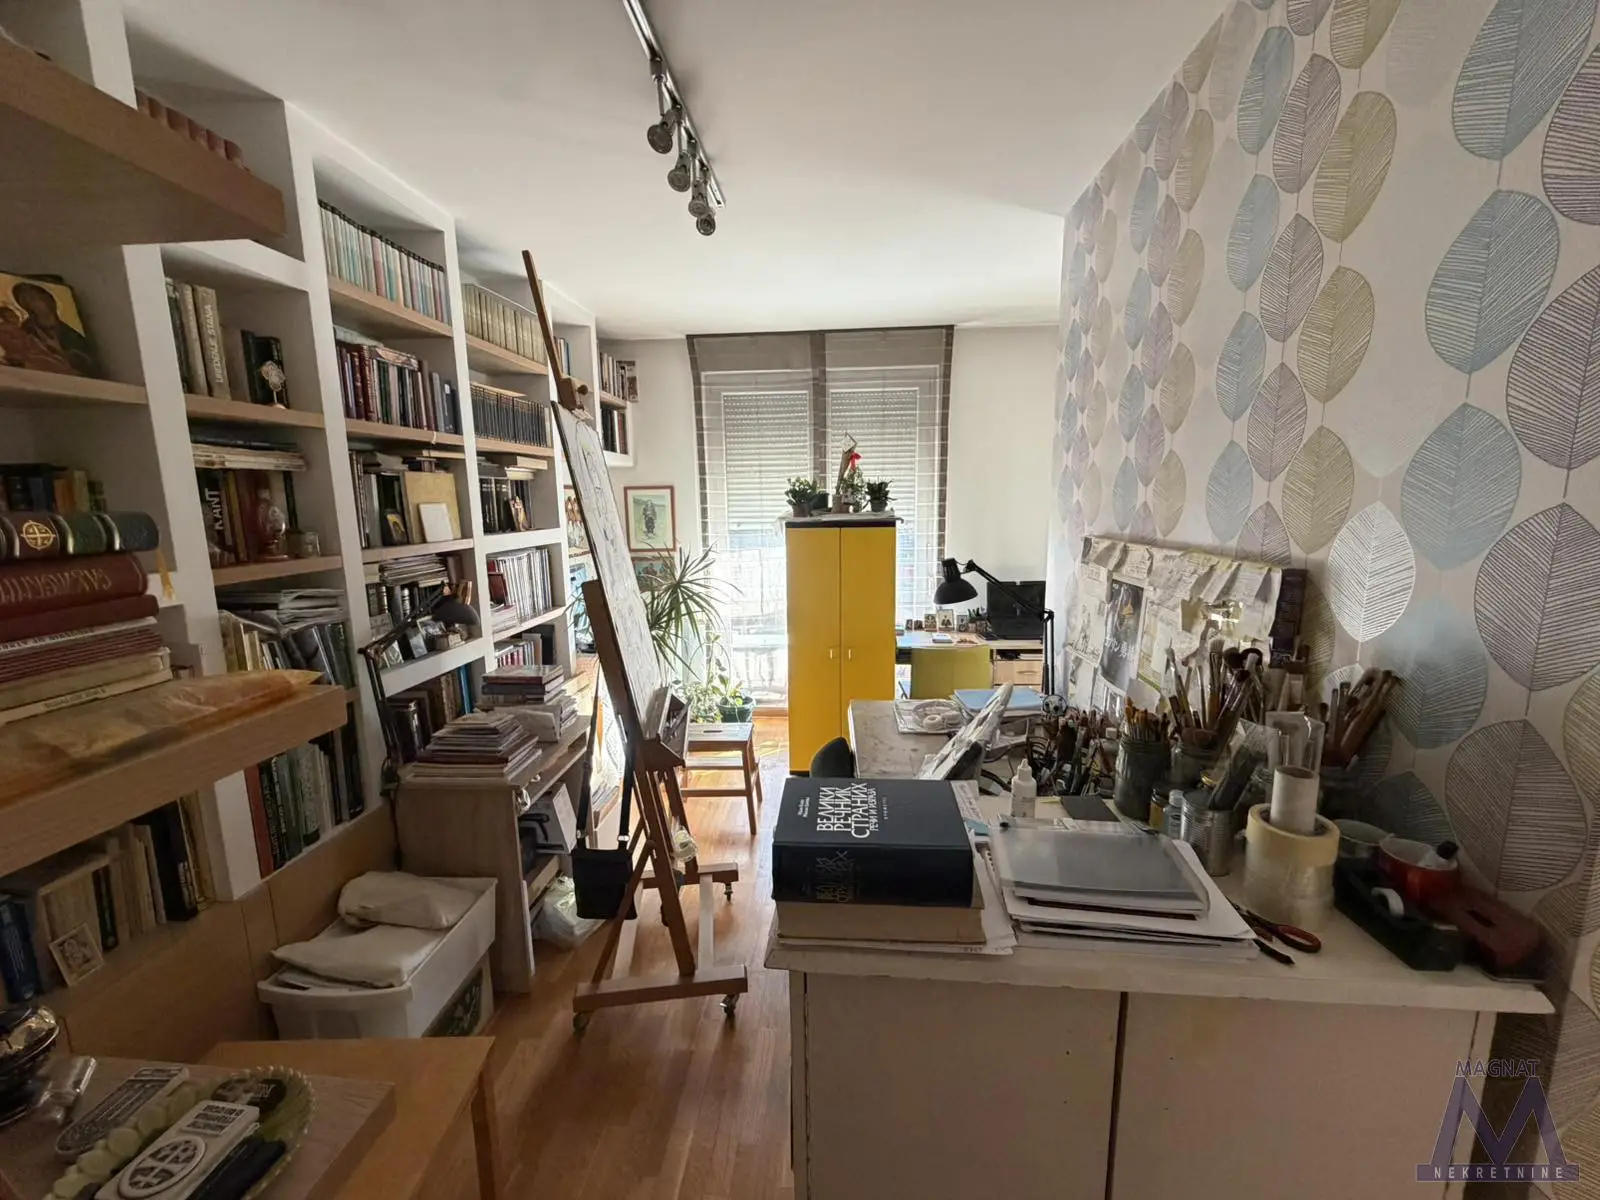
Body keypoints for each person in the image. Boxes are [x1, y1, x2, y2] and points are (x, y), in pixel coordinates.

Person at [12, 281, 99, 376]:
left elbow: (89, 368)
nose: (43, 302)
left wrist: (60, 351)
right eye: (29, 299)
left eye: (40, 297)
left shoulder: (71, 335)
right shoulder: (28, 330)